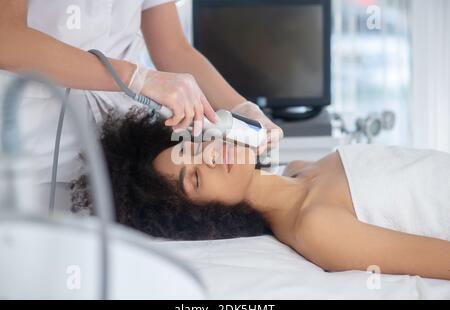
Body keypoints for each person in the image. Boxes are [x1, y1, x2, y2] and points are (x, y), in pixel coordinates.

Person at [73, 108, 450, 281]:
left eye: (194, 147)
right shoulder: (316, 227)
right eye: (195, 179)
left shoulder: (301, 169)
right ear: (201, 216)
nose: (211, 155)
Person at [0, 0, 282, 209]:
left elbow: (173, 48)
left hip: (117, 139)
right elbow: (6, 38)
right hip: (32, 136)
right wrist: (135, 77)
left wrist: (240, 106)